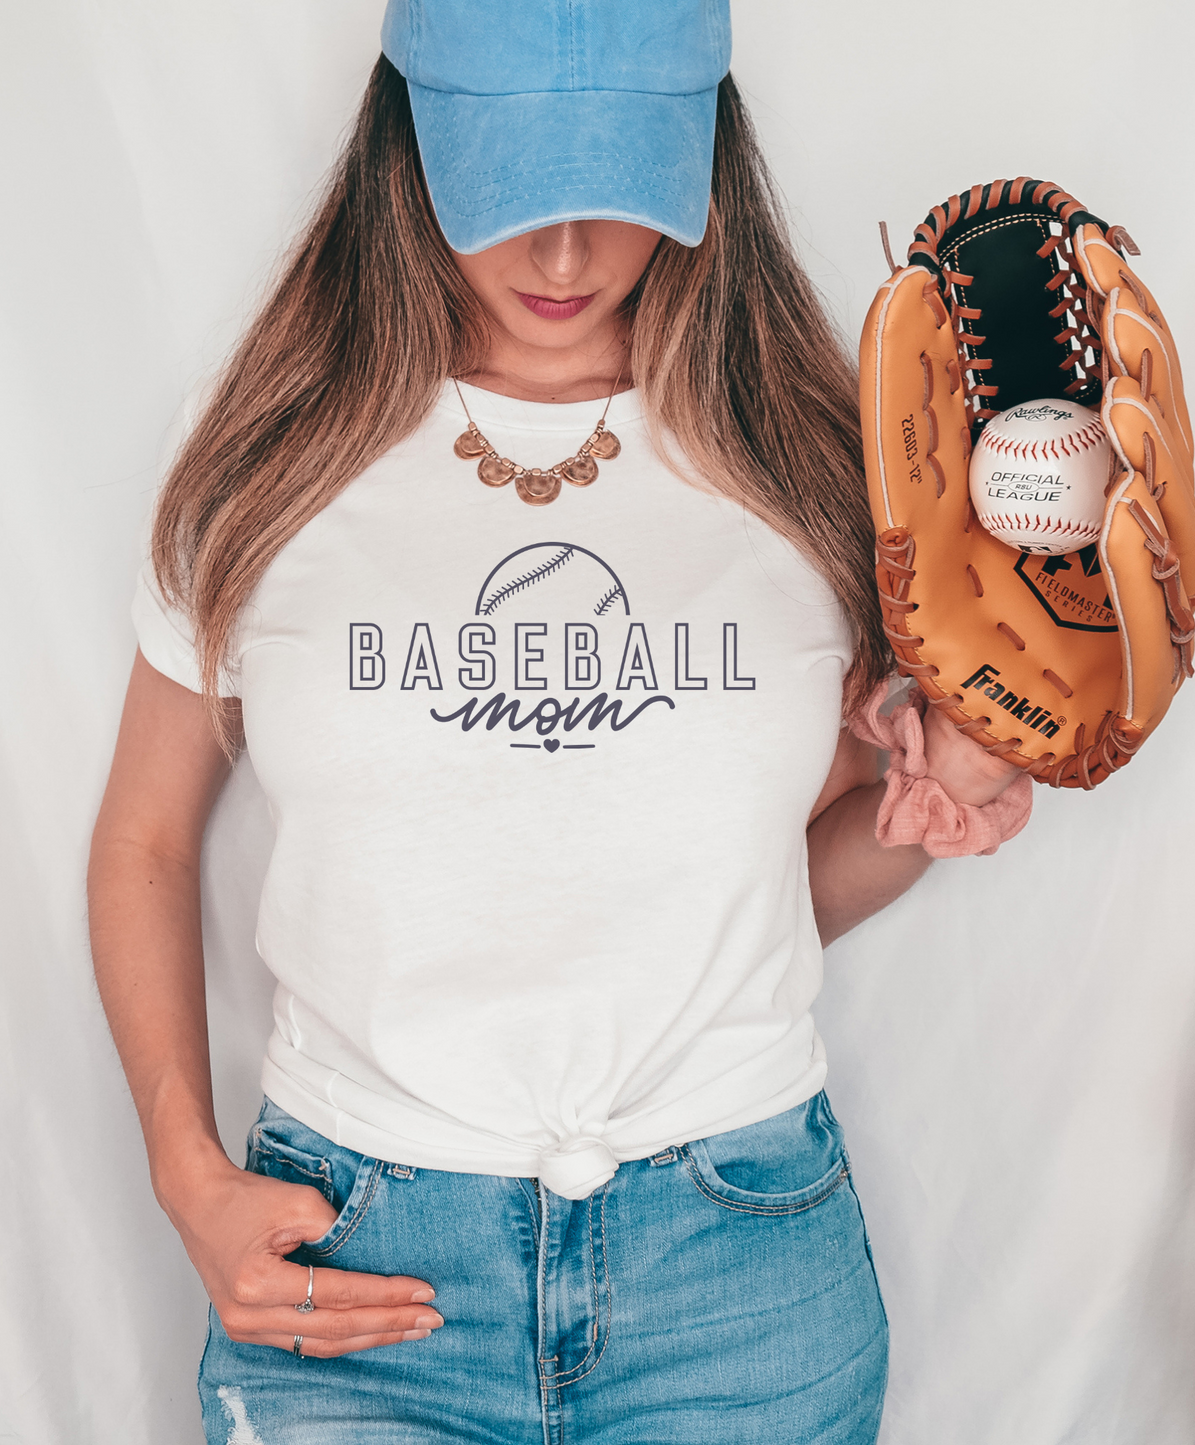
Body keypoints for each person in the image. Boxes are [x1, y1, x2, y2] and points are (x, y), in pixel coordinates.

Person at [87, 3, 1024, 1441]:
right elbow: (147, 837)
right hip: (360, 1268)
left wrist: (921, 822)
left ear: (707, 153)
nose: (567, 256)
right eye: (516, 188)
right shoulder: (266, 451)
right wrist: (182, 1170)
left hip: (738, 1278)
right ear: (407, 140)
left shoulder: (824, 459)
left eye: (618, 189)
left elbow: (765, 898)